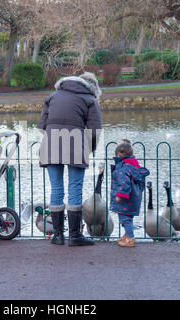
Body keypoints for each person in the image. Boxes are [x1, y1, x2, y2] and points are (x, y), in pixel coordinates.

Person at [38, 72, 102, 246]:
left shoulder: (52, 96)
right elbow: (95, 130)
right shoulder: (89, 100)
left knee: (56, 189)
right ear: (93, 88)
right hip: (75, 145)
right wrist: (90, 148)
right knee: (75, 188)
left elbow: (42, 126)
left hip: (51, 144)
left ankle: (58, 235)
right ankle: (74, 236)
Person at [110, 139, 149, 247]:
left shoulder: (122, 168)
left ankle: (130, 238)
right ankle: (127, 235)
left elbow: (124, 184)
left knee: (125, 219)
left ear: (118, 154)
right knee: (128, 217)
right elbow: (140, 183)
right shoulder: (134, 166)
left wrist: (120, 196)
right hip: (134, 198)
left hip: (125, 199)